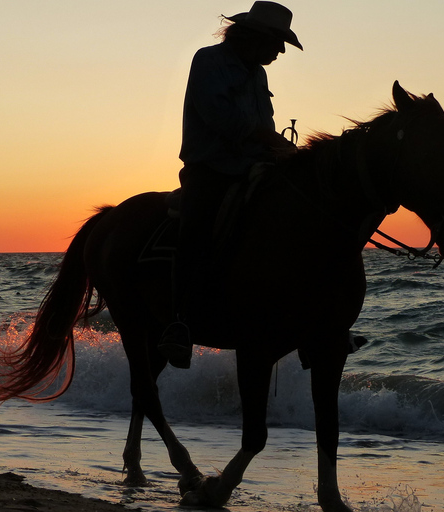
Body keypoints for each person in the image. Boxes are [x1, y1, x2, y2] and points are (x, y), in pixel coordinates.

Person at [158, 1, 302, 369]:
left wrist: (277, 150)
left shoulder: (257, 74)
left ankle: (308, 319)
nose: (280, 51)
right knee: (198, 226)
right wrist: (268, 140)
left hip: (255, 166)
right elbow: (220, 116)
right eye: (276, 42)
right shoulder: (208, 61)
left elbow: (264, 124)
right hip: (211, 168)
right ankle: (180, 321)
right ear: (254, 37)